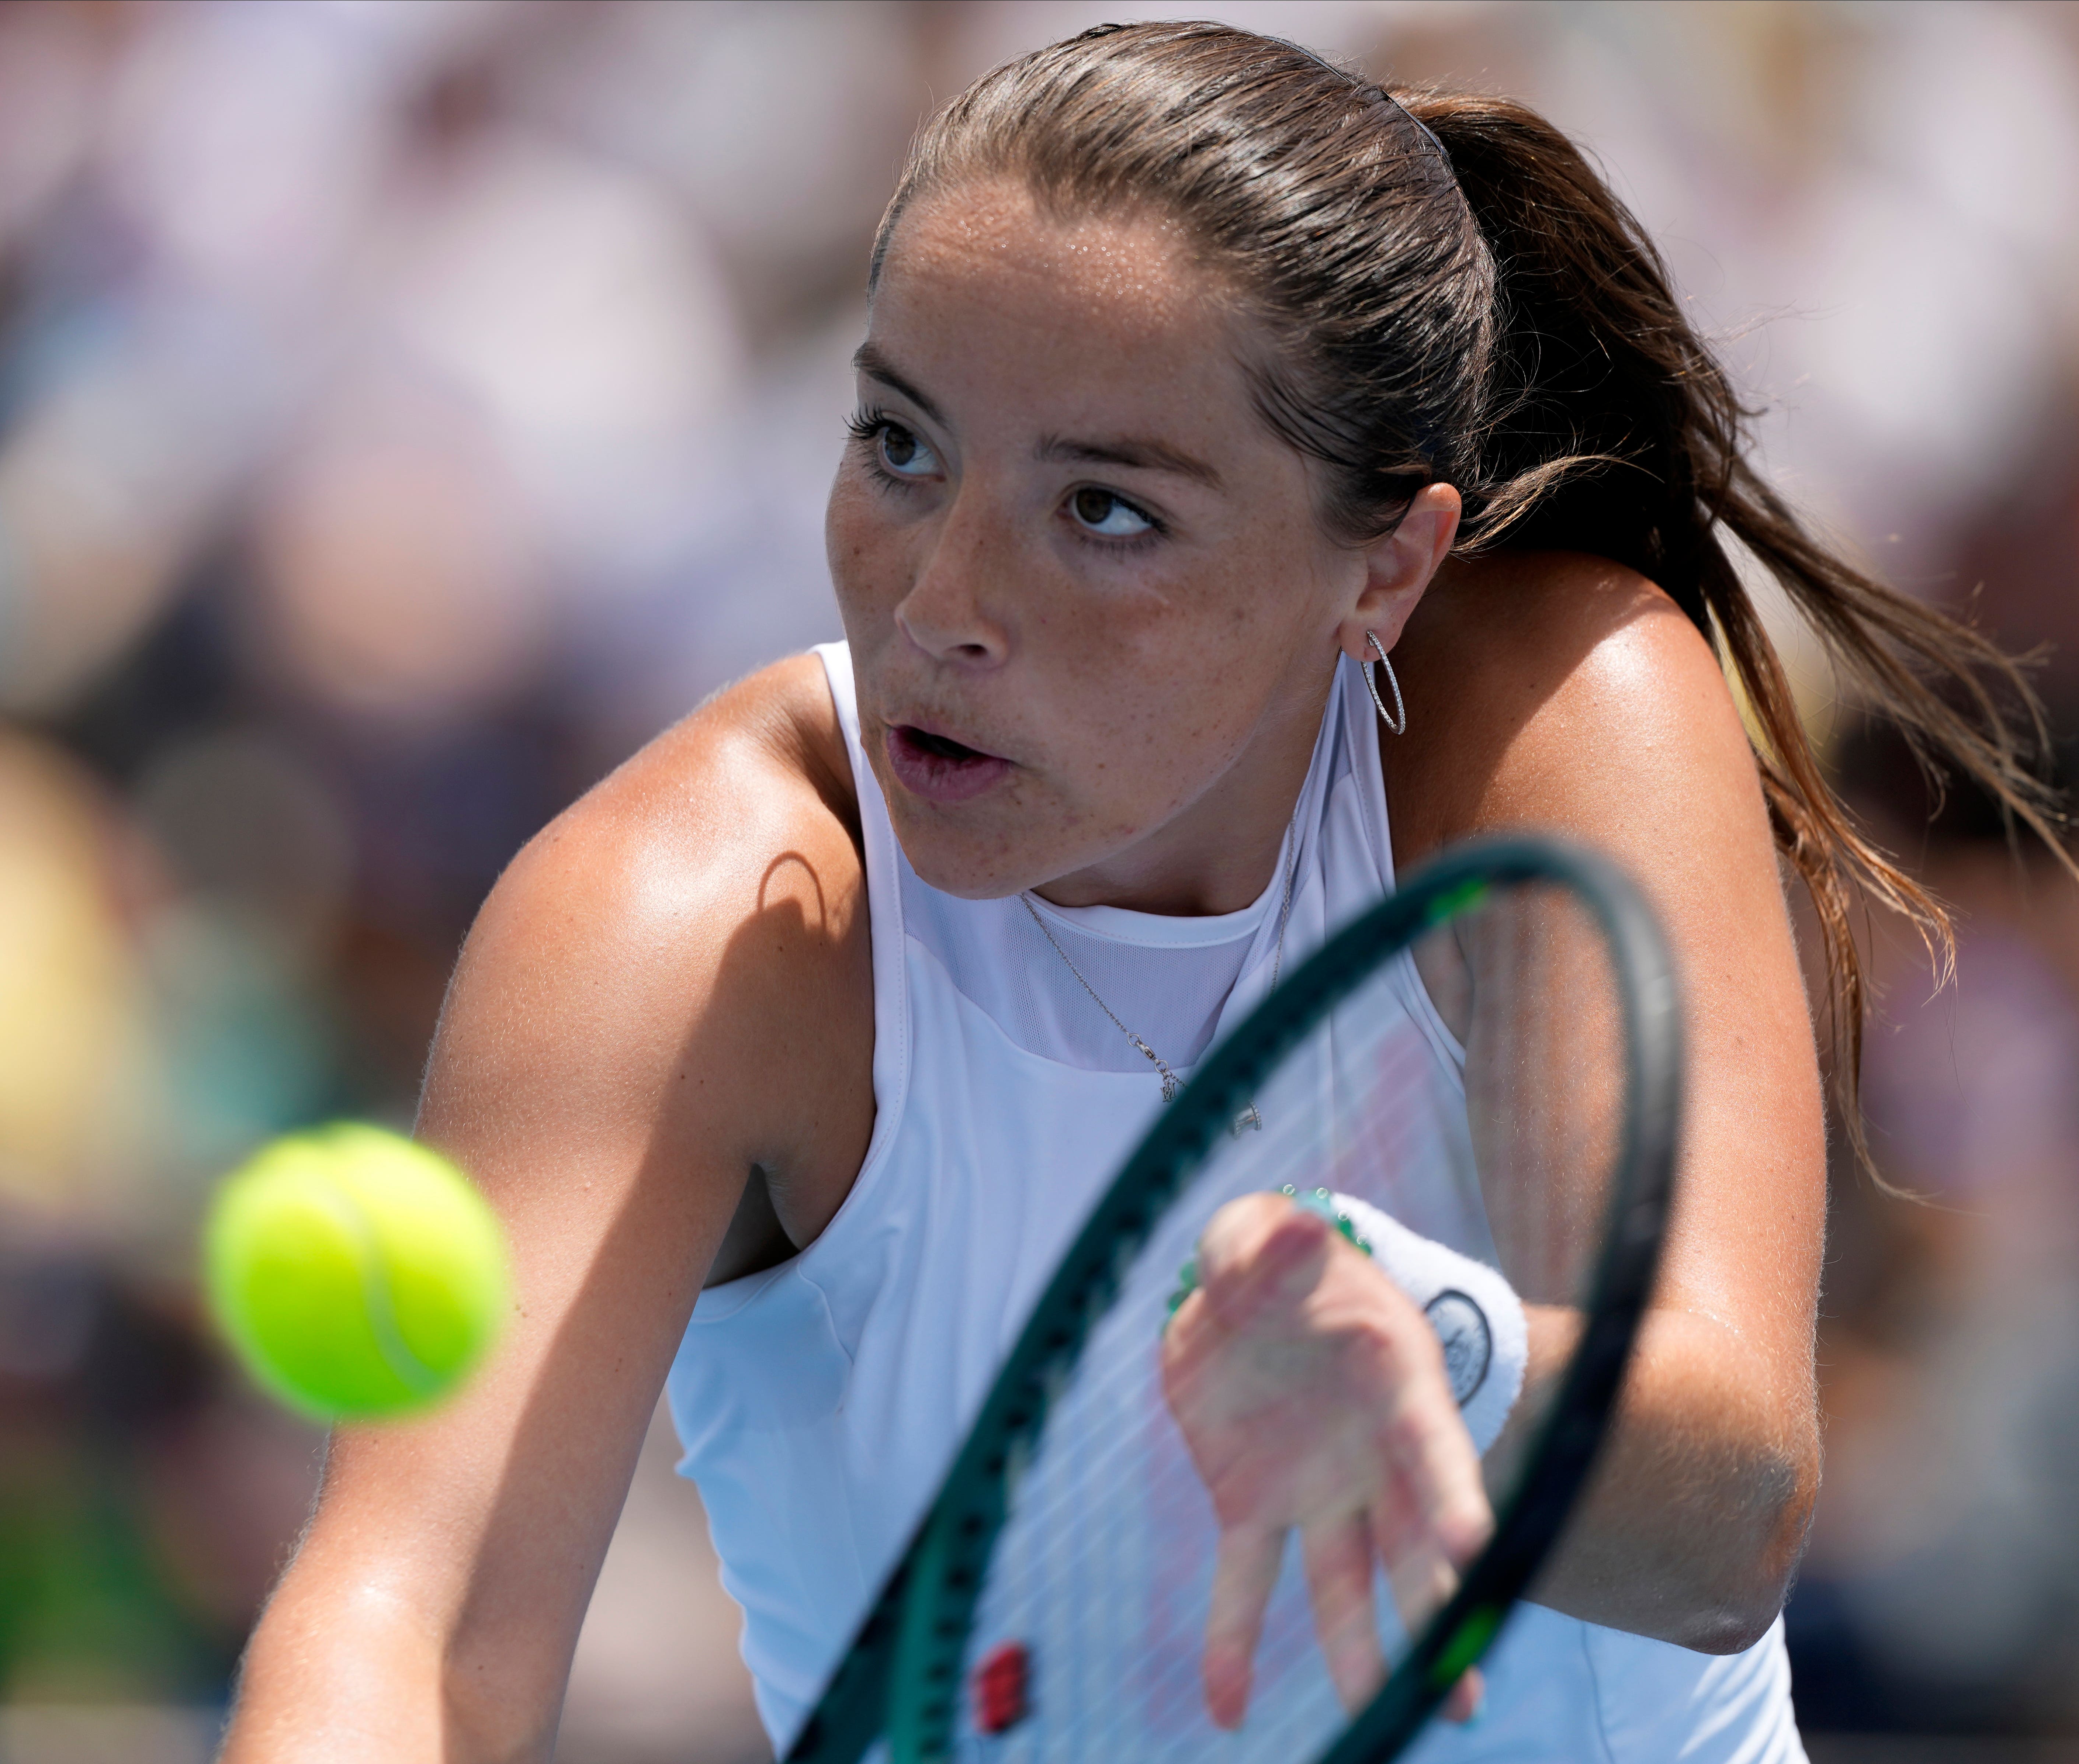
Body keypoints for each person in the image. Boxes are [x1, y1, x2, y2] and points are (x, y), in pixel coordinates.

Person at [218, 22, 2061, 1763]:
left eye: (1106, 508)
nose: (941, 597)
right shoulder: (692, 909)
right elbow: (420, 1622)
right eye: (900, 444)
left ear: (1387, 568)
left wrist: (1435, 1348)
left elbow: (1728, 1512)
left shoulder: (1561, 712)